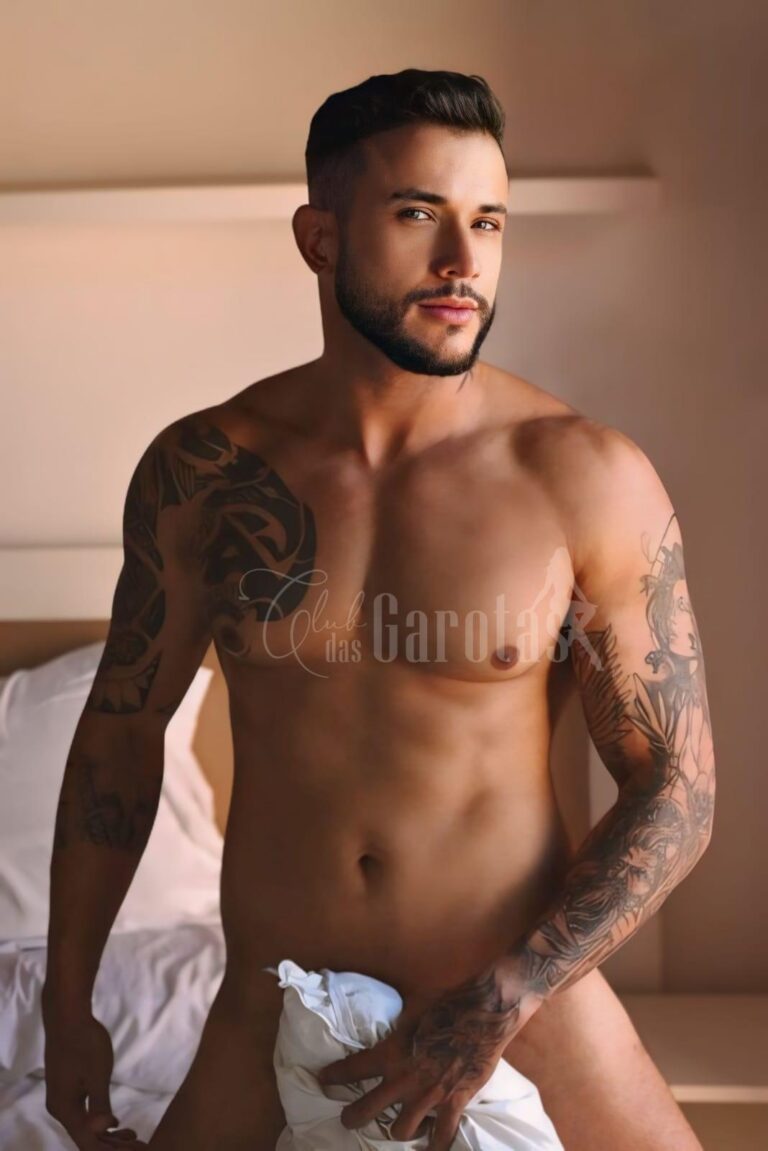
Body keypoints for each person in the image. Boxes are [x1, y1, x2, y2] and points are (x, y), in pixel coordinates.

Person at [42, 69, 715, 1151]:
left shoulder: (582, 475)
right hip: (271, 1004)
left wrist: (510, 988)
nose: (463, 263)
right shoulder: (203, 473)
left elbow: (677, 783)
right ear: (319, 238)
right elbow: (120, 735)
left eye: (487, 222)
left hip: (520, 1007)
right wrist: (66, 998)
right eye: (417, 215)